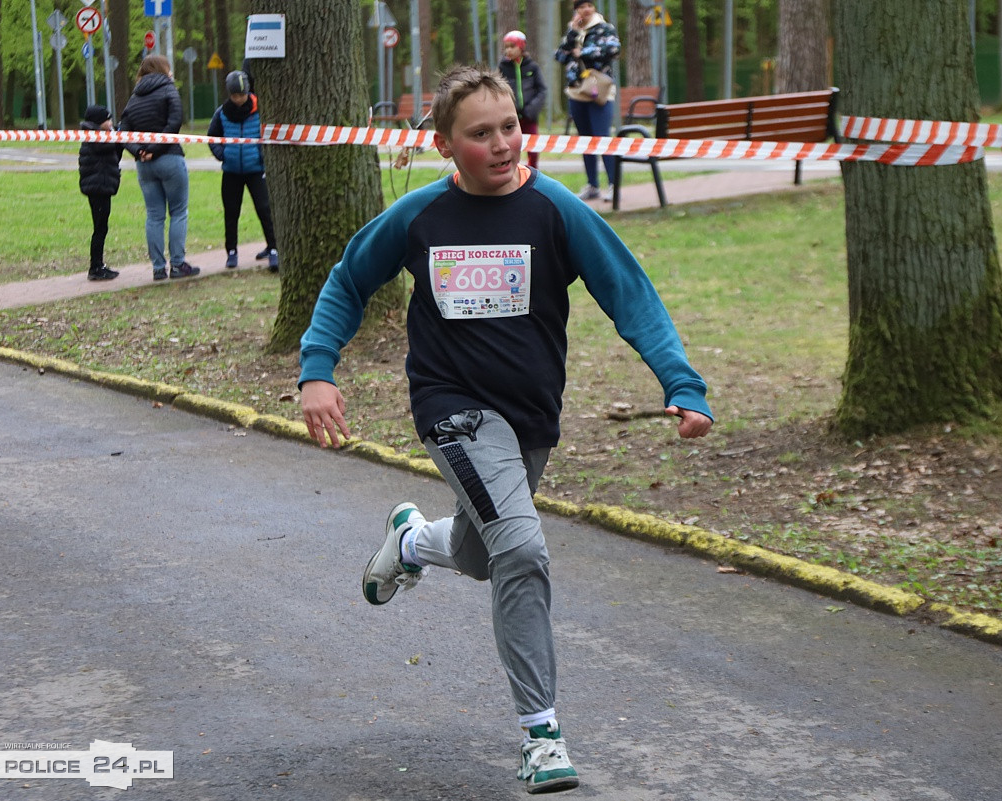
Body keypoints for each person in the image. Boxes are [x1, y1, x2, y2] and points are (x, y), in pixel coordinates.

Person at [298, 65, 712, 795]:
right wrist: (317, 370)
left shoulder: (554, 210)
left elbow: (630, 292)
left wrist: (681, 382)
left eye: (509, 128)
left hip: (528, 419)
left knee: (484, 553)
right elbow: (347, 280)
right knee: (520, 546)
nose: (500, 144)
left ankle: (411, 542)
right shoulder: (420, 217)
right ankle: (541, 734)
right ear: (445, 145)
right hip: (452, 410)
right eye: (480, 133)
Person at [119, 54, 199, 281]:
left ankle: (157, 268)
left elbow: (122, 132)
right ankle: (177, 264)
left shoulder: (133, 98)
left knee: (154, 215)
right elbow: (174, 122)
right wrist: (156, 148)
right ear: (164, 69)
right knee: (178, 212)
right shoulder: (168, 90)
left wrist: (139, 151)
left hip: (144, 165)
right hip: (169, 157)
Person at [208, 70, 279, 271]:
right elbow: (212, 137)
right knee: (231, 212)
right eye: (234, 96)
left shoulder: (261, 110)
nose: (238, 99)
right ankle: (231, 251)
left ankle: (273, 248)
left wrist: (261, 155)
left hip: (256, 170)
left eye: (241, 95)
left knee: (264, 209)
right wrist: (223, 154)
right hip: (231, 172)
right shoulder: (221, 113)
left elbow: (270, 136)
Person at [555, 0, 621, 201]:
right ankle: (592, 185)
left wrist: (583, 52)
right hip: (577, 91)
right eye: (582, 6)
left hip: (598, 89)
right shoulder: (573, 31)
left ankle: (613, 185)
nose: (586, 10)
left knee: (602, 139)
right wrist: (573, 33)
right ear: (576, 10)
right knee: (585, 140)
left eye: (589, 6)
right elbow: (559, 56)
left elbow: (614, 50)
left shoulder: (604, 28)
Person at [78, 105, 122, 281]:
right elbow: (107, 148)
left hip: (102, 186)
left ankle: (99, 264)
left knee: (102, 227)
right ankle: (95, 267)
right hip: (97, 187)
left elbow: (114, 154)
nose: (110, 123)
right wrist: (118, 135)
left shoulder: (102, 137)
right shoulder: (95, 138)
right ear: (98, 122)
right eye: (108, 119)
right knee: (99, 228)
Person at [498, 30, 547, 170]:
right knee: (511, 146)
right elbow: (499, 90)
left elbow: (542, 90)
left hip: (529, 116)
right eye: (506, 47)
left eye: (512, 46)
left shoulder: (532, 67)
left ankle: (533, 171)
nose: (509, 50)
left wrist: (531, 109)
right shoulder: (503, 67)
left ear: (521, 46)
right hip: (511, 117)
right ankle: (513, 171)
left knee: (533, 146)